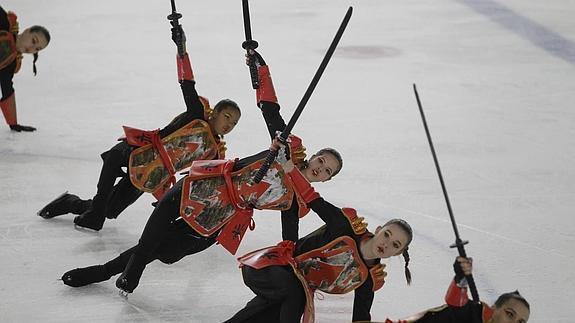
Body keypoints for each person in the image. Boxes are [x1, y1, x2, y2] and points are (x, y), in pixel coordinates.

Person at [60, 48, 344, 295]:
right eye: (322, 160)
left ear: (327, 179)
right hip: (205, 187)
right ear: (315, 155)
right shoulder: (284, 148)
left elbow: (289, 239)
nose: (320, 168)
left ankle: (113, 269)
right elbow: (270, 107)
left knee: (164, 249)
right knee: (153, 233)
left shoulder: (296, 199)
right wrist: (259, 68)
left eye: (327, 171)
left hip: (219, 216)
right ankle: (105, 271)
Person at [37, 22, 241, 231]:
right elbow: (187, 82)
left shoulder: (214, 153)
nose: (229, 124)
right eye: (227, 116)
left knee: (109, 210)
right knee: (107, 185)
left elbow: (208, 184)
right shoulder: (196, 114)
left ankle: (70, 202)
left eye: (234, 123)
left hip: (152, 173)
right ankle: (94, 214)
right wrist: (182, 48)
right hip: (139, 150)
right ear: (215, 112)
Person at [224, 165, 413, 323]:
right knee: (294, 293)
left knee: (260, 315)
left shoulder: (368, 278)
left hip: (292, 291)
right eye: (387, 235)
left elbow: (361, 317)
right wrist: (290, 167)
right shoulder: (345, 226)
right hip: (269, 267)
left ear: (397, 253)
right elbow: (312, 197)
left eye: (395, 245)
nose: (386, 244)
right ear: (379, 229)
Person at [385, 257, 530, 323]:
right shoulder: (473, 312)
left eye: (520, 322)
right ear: (494, 308)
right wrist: (461, 278)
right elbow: (457, 302)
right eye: (510, 314)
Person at [0, 6, 50, 132]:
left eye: (37, 49)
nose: (32, 48)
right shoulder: (4, 22)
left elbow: (7, 89)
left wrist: (13, 124)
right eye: (34, 41)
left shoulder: (10, 62)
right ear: (27, 31)